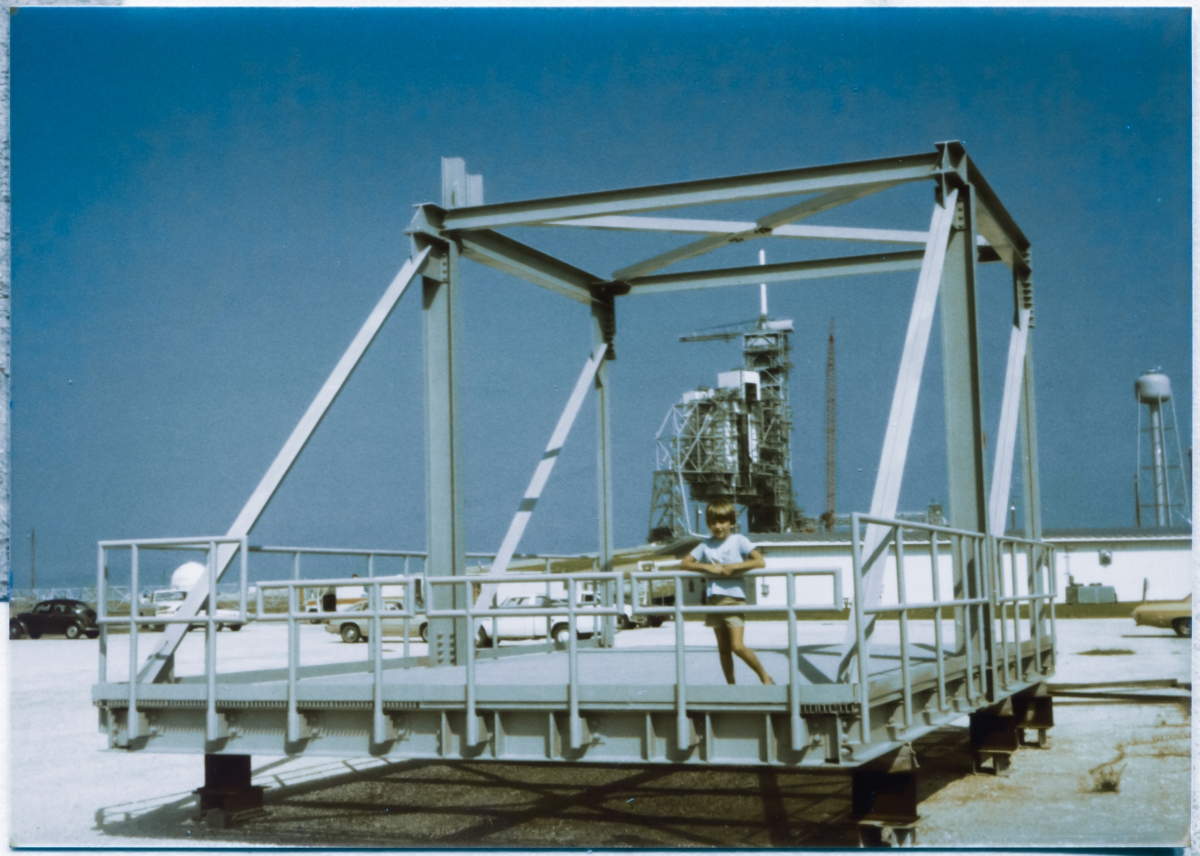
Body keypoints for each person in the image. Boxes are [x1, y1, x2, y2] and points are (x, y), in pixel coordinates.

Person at [679, 499, 773, 685]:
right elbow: (685, 563)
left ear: (731, 522)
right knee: (723, 649)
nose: (718, 526)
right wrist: (707, 568)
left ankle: (765, 677)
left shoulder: (739, 540)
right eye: (713, 522)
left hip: (733, 599)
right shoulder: (706, 545)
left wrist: (734, 567)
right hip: (713, 601)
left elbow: (759, 561)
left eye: (722, 521)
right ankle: (731, 685)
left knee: (737, 646)